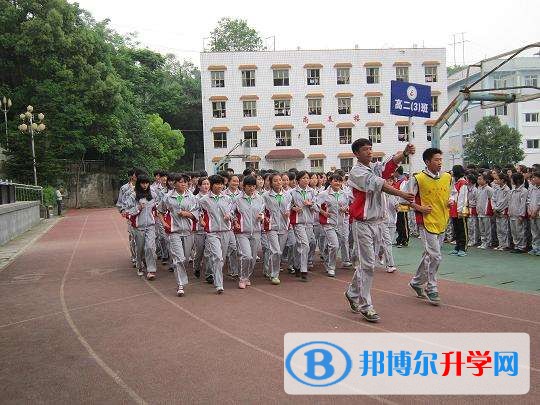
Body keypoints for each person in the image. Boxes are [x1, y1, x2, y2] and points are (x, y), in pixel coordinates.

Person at [343, 139, 415, 322]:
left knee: (369, 264)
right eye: (365, 150)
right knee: (367, 265)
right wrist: (402, 194)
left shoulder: (373, 167)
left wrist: (404, 154)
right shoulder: (357, 172)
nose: (369, 152)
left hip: (379, 222)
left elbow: (389, 165)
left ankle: (352, 292)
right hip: (363, 224)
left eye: (370, 149)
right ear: (356, 154)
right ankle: (366, 305)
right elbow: (380, 184)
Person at [406, 148, 452, 306]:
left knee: (429, 255)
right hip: (426, 222)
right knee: (435, 256)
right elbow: (406, 199)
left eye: (441, 159)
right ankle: (431, 287)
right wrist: (419, 208)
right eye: (436, 160)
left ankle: (416, 282)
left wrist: (450, 201)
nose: (440, 162)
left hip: (442, 221)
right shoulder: (418, 178)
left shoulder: (447, 177)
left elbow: (450, 194)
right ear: (427, 162)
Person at [158, 173, 199, 297]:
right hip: (174, 232)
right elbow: (160, 210)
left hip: (188, 231)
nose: (183, 184)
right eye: (181, 182)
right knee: (178, 258)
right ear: (174, 183)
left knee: (185, 258)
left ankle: (181, 278)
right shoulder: (167, 197)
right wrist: (164, 222)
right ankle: (180, 284)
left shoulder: (192, 197)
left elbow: (196, 213)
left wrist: (188, 214)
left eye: (185, 182)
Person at [198, 175, 233, 294]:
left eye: (221, 184)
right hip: (212, 232)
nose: (220, 186)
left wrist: (230, 216)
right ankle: (219, 284)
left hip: (225, 231)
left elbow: (232, 212)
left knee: (221, 258)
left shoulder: (227, 198)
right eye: (217, 184)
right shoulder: (204, 200)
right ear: (212, 185)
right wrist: (201, 220)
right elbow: (198, 212)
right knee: (218, 257)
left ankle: (210, 271)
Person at [232, 175, 265, 289]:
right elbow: (231, 212)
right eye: (249, 186)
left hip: (256, 231)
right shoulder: (237, 199)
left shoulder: (259, 198)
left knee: (253, 257)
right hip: (242, 232)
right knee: (247, 256)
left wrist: (261, 216)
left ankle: (247, 276)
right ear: (244, 186)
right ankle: (242, 278)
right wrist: (235, 221)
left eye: (253, 186)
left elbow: (262, 211)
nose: (251, 188)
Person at [125, 174, 158, 280]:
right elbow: (127, 210)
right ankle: (140, 266)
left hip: (151, 226)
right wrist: (138, 208)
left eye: (147, 183)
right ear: (139, 183)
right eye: (143, 183)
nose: (145, 185)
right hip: (138, 226)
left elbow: (158, 206)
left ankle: (151, 269)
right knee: (140, 248)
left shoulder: (153, 194)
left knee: (150, 247)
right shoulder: (133, 195)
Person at [316, 174, 350, 277]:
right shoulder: (323, 194)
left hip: (341, 223)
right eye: (336, 181)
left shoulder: (344, 194)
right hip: (328, 224)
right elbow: (315, 205)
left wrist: (345, 209)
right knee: (334, 245)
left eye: (340, 181)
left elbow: (348, 205)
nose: (338, 183)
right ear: (330, 182)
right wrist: (323, 213)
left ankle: (326, 257)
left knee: (335, 245)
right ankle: (331, 267)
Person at [262, 173, 291, 285]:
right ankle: (275, 275)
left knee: (278, 251)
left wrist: (288, 213)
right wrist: (263, 217)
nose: (279, 182)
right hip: (271, 226)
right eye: (275, 180)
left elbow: (288, 208)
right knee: (276, 251)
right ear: (270, 182)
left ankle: (268, 269)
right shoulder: (265, 196)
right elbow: (261, 209)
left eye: (280, 180)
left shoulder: (287, 195)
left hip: (284, 226)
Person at [289, 171, 317, 281]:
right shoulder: (292, 192)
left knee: (300, 245)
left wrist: (311, 205)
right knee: (305, 245)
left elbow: (317, 207)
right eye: (303, 178)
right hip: (298, 222)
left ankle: (296, 265)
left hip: (309, 223)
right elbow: (287, 206)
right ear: (298, 180)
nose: (306, 180)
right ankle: (303, 270)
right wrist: (293, 208)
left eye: (307, 178)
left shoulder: (312, 192)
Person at [448, 165, 469, 257]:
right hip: (454, 208)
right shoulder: (456, 182)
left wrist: (460, 210)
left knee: (462, 229)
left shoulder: (463, 183)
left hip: (459, 209)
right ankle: (457, 246)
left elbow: (463, 198)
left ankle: (463, 248)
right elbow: (452, 194)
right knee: (456, 228)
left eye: (453, 171)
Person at [508, 172, 529, 253]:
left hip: (519, 215)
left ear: (517, 180)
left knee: (521, 231)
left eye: (512, 178)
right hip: (512, 214)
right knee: (514, 232)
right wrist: (509, 212)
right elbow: (509, 202)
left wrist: (521, 215)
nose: (511, 180)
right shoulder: (512, 190)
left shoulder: (524, 191)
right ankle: (516, 246)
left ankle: (522, 247)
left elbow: (523, 204)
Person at [493, 174, 511, 251]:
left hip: (503, 211)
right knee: (499, 229)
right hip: (497, 211)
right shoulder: (497, 189)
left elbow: (505, 202)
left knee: (504, 229)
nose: (495, 181)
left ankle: (505, 245)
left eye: (497, 179)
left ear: (502, 180)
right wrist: (494, 208)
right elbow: (493, 199)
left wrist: (497, 209)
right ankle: (500, 244)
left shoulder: (507, 190)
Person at [476, 173, 494, 249]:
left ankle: (488, 242)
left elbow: (492, 200)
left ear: (485, 180)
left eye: (480, 179)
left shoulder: (489, 189)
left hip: (486, 212)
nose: (478, 180)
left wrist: (490, 210)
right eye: (478, 179)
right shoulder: (478, 189)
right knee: (482, 229)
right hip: (480, 212)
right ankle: (483, 242)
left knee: (487, 229)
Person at [527, 171, 540, 255]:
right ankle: (535, 248)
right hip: (532, 213)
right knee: (534, 232)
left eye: (535, 177)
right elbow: (529, 200)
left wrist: (536, 211)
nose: (533, 179)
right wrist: (529, 210)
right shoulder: (532, 188)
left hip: (538, 214)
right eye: (532, 177)